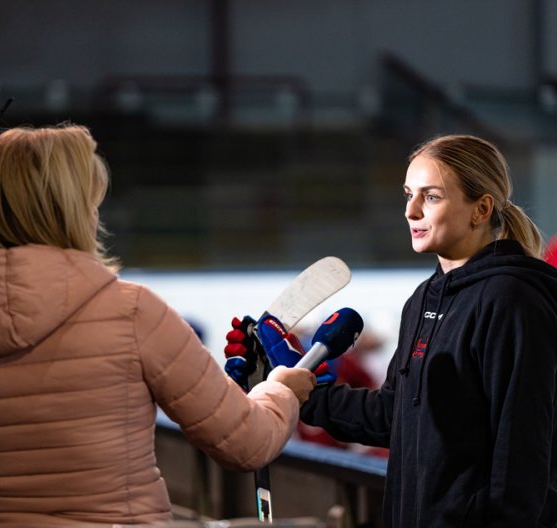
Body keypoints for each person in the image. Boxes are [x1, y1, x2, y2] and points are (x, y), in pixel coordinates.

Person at [0, 124, 317, 527]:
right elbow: (244, 442)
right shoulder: (132, 312)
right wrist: (281, 390)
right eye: (91, 202)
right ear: (73, 210)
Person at [227, 134, 557, 527]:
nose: (411, 210)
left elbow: (522, 451)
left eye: (431, 196)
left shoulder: (513, 299)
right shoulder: (423, 299)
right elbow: (392, 416)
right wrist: (300, 391)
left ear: (480, 208)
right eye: (408, 194)